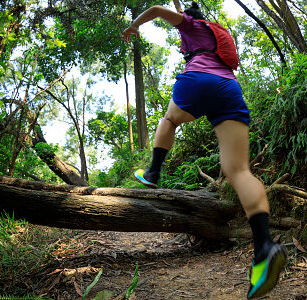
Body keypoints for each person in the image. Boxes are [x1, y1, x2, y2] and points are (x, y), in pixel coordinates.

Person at [122, 2, 287, 299]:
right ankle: (265, 247)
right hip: (228, 88)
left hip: (198, 79)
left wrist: (134, 25)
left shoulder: (190, 24)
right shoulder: (218, 32)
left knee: (170, 119)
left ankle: (153, 171)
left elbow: (158, 9)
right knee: (238, 170)